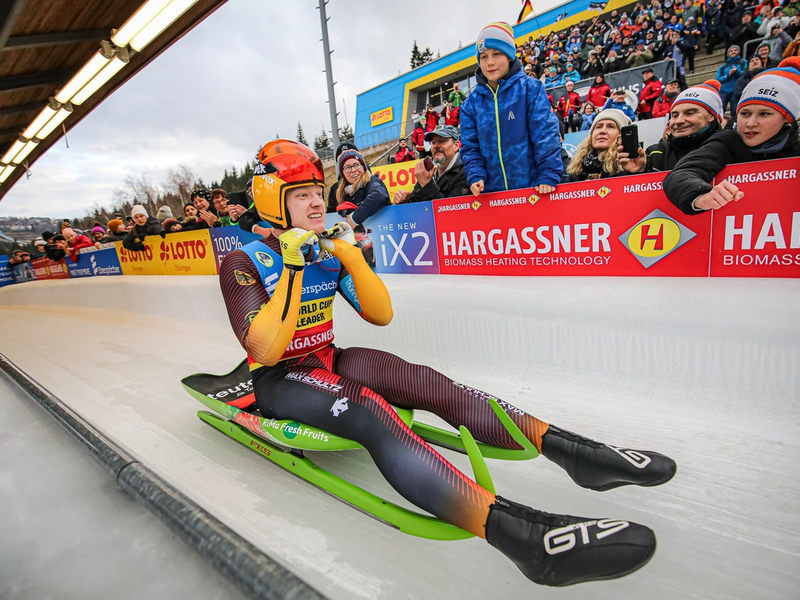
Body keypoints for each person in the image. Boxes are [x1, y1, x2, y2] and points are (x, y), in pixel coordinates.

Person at [218, 140, 675, 588]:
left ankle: (574, 452)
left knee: (430, 383)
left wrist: (353, 259)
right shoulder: (243, 260)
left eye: (319, 192)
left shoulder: (326, 248)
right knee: (371, 412)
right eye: (302, 195)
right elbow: (263, 350)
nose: (318, 202)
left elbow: (380, 315)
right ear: (273, 204)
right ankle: (521, 537)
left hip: (328, 359)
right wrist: (295, 270)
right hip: (280, 378)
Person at [664, 57, 800, 214]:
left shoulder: (796, 143)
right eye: (745, 113)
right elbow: (681, 174)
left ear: (786, 119)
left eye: (764, 114)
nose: (750, 123)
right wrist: (700, 196)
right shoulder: (727, 141)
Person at [461, 22, 562, 197]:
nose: (490, 62)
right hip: (492, 197)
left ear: (509, 55)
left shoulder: (530, 89)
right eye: (483, 56)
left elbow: (545, 134)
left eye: (496, 54)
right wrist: (475, 175)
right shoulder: (470, 104)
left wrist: (547, 173)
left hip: (533, 191)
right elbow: (470, 148)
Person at [622, 80, 724, 173]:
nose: (678, 121)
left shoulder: (728, 148)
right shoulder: (654, 153)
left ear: (711, 116)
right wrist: (639, 171)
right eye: (674, 115)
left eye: (689, 113)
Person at [393, 125, 470, 204]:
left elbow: (451, 210)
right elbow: (416, 203)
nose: (436, 146)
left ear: (456, 145)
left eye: (442, 141)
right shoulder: (428, 170)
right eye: (433, 143)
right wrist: (404, 201)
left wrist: (427, 185)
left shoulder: (467, 171)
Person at [566, 109, 632, 181]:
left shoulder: (630, 166)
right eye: (599, 126)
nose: (602, 131)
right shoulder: (577, 169)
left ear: (621, 135)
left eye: (611, 126)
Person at [335, 148, 390, 227]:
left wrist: (355, 218)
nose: (353, 170)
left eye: (357, 165)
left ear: (364, 167)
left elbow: (379, 195)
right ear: (342, 173)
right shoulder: (342, 192)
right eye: (347, 167)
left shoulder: (371, 182)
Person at [716, 46, 747, 116]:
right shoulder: (723, 66)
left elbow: (745, 74)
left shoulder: (743, 62)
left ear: (738, 52)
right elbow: (718, 79)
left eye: (735, 50)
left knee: (734, 111)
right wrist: (728, 75)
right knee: (720, 111)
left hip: (735, 90)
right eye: (731, 51)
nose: (733, 52)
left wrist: (736, 72)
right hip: (724, 91)